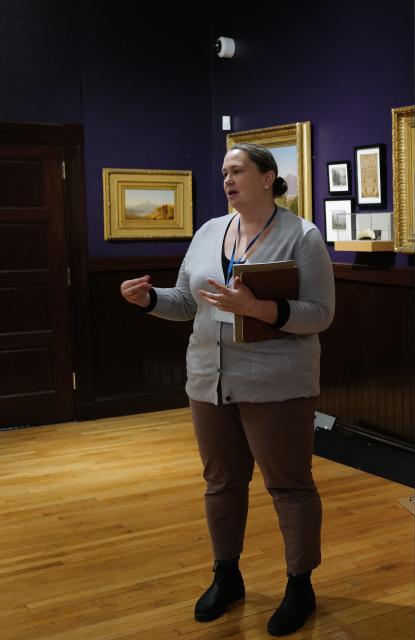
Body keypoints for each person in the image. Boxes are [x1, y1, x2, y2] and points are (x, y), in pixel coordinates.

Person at [119, 143, 335, 636]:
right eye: (223, 172)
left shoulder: (301, 236)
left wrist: (257, 309)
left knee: (289, 486)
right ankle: (227, 575)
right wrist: (149, 299)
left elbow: (322, 313)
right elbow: (184, 301)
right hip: (208, 382)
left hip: (277, 384)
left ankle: (300, 584)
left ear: (267, 178)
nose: (227, 179)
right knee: (220, 483)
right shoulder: (208, 232)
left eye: (237, 170)